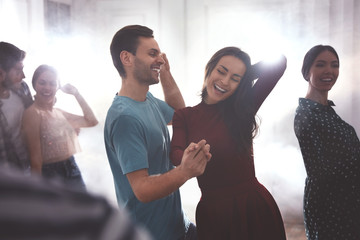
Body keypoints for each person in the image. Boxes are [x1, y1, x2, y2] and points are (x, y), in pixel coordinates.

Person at [104, 25, 211, 240]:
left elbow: (180, 116)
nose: (160, 59)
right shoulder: (125, 118)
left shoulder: (147, 100)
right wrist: (185, 171)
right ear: (127, 58)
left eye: (160, 55)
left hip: (178, 225)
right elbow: (142, 189)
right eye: (153, 54)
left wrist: (166, 73)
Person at [170, 47, 287, 240]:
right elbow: (175, 156)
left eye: (235, 78)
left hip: (254, 207)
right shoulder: (184, 115)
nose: (224, 82)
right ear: (209, 69)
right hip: (213, 213)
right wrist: (188, 155)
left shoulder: (243, 108)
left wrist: (245, 74)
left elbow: (279, 63)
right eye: (221, 71)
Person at [294, 45, 360, 239]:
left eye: (334, 65)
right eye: (320, 64)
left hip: (347, 199)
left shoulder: (326, 110)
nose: (329, 71)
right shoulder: (306, 113)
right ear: (307, 72)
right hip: (331, 205)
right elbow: (335, 165)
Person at [0, 166, 152, 240]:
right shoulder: (95, 218)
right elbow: (142, 190)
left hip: (68, 168)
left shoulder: (95, 217)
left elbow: (90, 121)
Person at [22, 64, 98, 191]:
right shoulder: (32, 113)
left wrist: (76, 94)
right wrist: (35, 194)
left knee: (82, 210)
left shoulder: (58, 112)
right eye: (42, 83)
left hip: (71, 167)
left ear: (58, 87)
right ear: (34, 84)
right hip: (50, 174)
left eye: (52, 84)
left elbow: (91, 121)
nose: (47, 88)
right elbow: (35, 158)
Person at [0, 41, 33, 172]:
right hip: (8, 180)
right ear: (1, 73)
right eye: (18, 70)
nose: (23, 76)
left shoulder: (22, 88)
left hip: (30, 168)